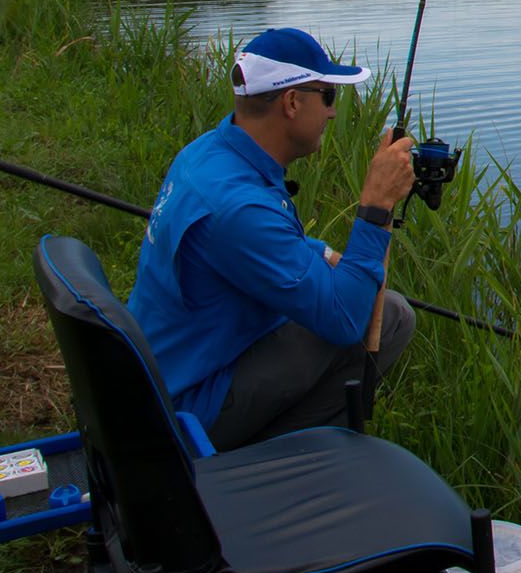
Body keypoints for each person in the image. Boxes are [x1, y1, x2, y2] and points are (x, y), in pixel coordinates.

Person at [128, 27, 417, 450]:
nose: (333, 113)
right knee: (389, 318)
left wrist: (323, 253)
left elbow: (264, 243)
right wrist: (375, 207)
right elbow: (345, 319)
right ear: (293, 102)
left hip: (167, 373)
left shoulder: (209, 155)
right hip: (187, 410)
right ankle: (278, 464)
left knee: (375, 307)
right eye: (328, 97)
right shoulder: (237, 208)